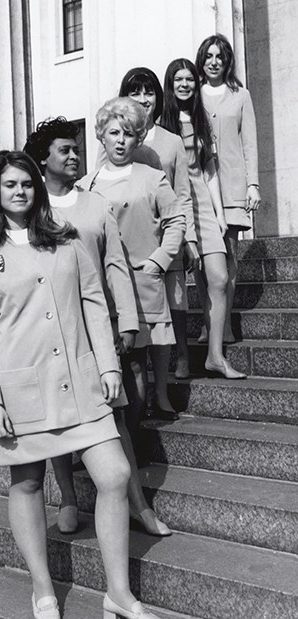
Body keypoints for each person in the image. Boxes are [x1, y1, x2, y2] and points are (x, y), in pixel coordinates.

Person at [0, 150, 165, 619]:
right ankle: (42, 586)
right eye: (10, 185)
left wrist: (108, 364)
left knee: (115, 475)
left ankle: (118, 593)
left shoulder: (66, 237)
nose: (20, 192)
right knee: (28, 482)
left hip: (82, 382)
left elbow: (94, 301)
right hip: (21, 390)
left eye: (27, 184)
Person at [24, 117, 171, 537]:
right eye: (64, 150)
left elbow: (115, 267)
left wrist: (126, 320)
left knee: (116, 415)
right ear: (42, 160)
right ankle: (69, 498)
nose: (75, 156)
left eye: (76, 148)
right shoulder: (32, 210)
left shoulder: (95, 203)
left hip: (97, 327)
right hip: (50, 330)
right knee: (57, 416)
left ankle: (138, 506)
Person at [79, 96, 185, 464]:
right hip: (100, 292)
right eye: (113, 133)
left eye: (128, 133)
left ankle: (133, 442)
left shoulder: (152, 177)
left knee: (136, 365)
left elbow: (176, 220)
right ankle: (101, 442)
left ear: (138, 138)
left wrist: (159, 261)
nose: (121, 141)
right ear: (101, 137)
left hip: (142, 286)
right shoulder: (85, 184)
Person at [97, 67, 200, 383]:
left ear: (159, 95)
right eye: (135, 92)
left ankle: (169, 380)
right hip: (129, 240)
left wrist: (190, 239)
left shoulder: (170, 140)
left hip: (164, 234)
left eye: (149, 91)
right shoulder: (114, 136)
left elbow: (182, 193)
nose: (143, 98)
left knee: (173, 308)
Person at [161, 59, 246, 379]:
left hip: (205, 209)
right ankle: (183, 357)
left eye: (190, 80)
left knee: (220, 278)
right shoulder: (161, 124)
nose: (185, 84)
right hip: (176, 209)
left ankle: (215, 356)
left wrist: (220, 213)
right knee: (186, 283)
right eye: (178, 79)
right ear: (170, 84)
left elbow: (209, 170)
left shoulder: (201, 120)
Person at [195, 33, 261, 343]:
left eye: (219, 56)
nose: (213, 62)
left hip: (232, 184)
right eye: (208, 56)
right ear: (201, 59)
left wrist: (253, 184)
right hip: (201, 186)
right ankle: (209, 320)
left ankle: (224, 325)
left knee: (230, 253)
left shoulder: (240, 95)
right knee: (204, 256)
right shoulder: (194, 94)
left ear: (227, 61)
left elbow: (250, 142)